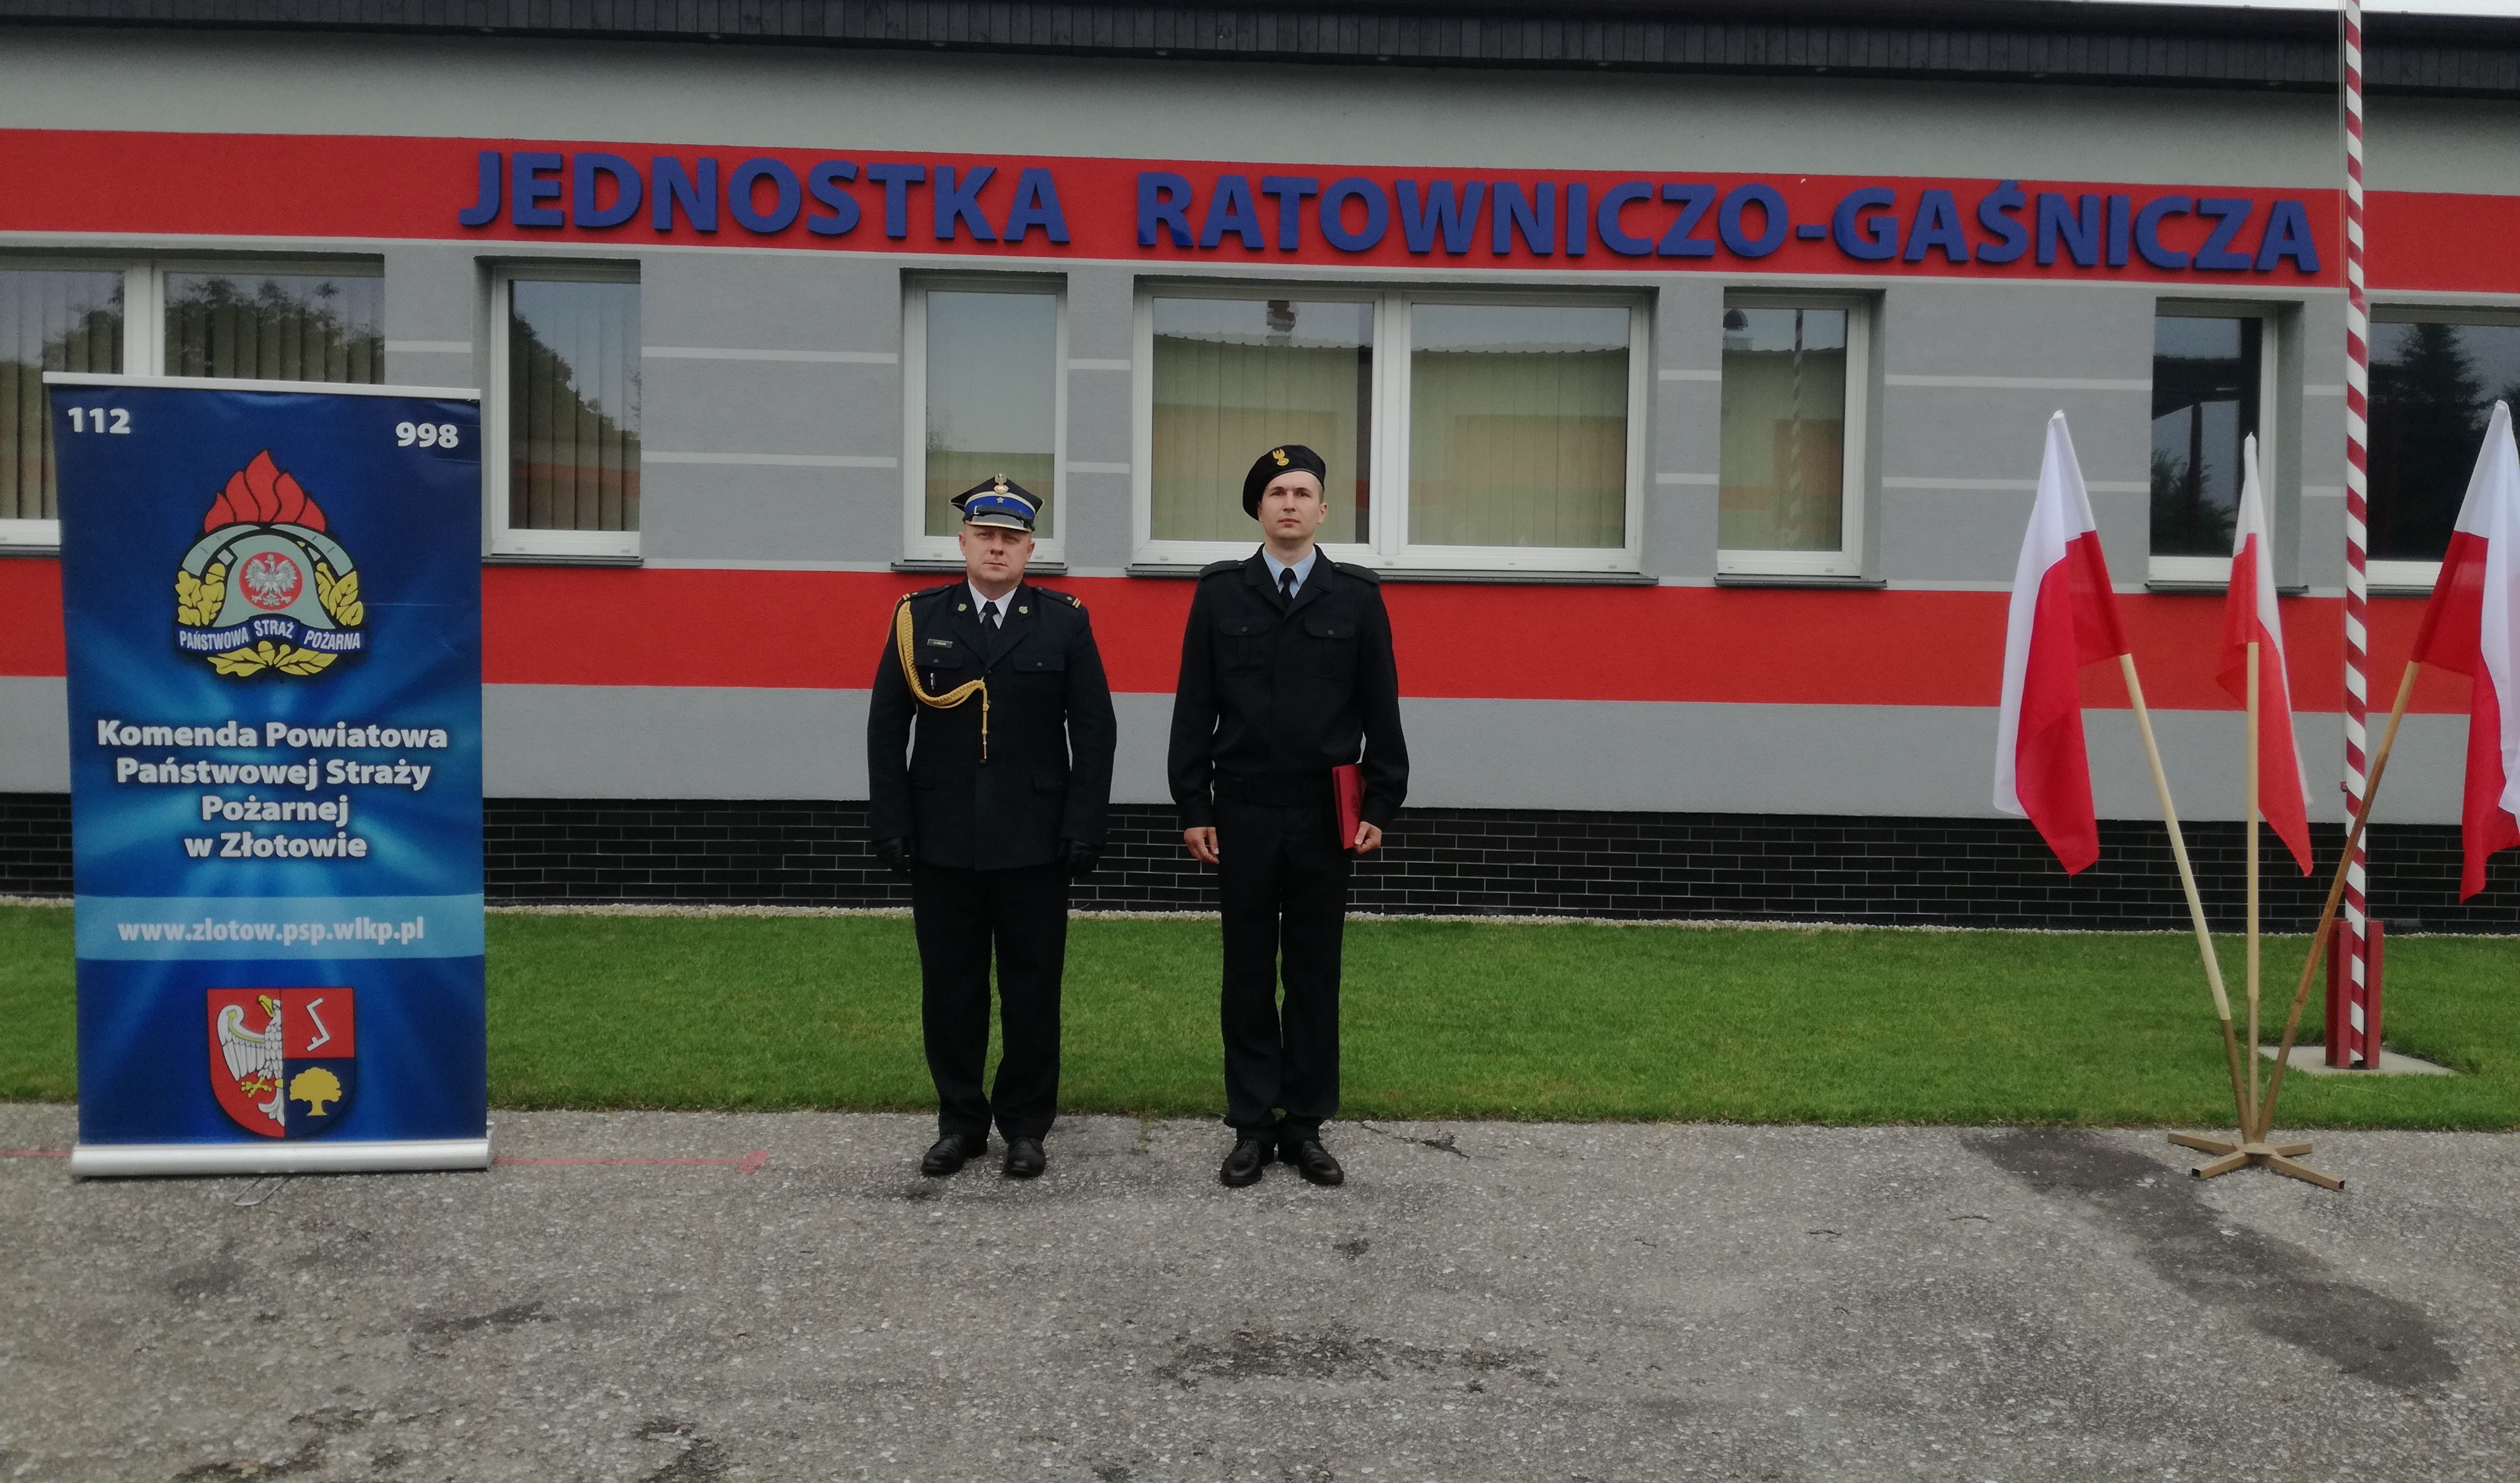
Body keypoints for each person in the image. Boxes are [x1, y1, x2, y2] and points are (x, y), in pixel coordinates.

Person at [1168, 443, 1409, 1189]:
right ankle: (1251, 1125)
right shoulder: (1220, 594)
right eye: (1277, 493)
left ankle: (1304, 1125)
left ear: (1323, 510)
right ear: (1259, 508)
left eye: (1302, 493)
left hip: (1322, 813)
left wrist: (1381, 801)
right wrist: (1192, 804)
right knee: (1245, 971)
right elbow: (1193, 708)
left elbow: (1380, 708)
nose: (1290, 504)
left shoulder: (1355, 597)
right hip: (1241, 808)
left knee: (1312, 971)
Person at [866, 475, 1116, 1180]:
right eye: (985, 536)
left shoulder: (1064, 622)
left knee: (1032, 991)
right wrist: (891, 820)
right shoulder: (917, 618)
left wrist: (1084, 824)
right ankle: (960, 1123)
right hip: (941, 837)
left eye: (1011, 538)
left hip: (1035, 841)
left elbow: (1093, 729)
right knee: (951, 991)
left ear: (1030, 548)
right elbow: (886, 726)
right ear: (963, 543)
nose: (997, 548)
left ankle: (1026, 1128)